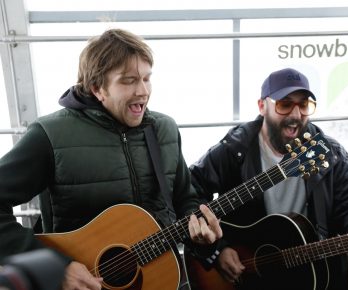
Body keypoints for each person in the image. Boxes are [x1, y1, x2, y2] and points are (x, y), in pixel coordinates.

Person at [0, 28, 222, 290]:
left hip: (162, 280)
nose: (143, 91)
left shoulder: (164, 130)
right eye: (128, 81)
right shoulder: (49, 135)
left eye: (147, 78)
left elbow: (185, 199)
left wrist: (203, 235)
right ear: (97, 88)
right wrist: (56, 267)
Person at [189, 68, 348, 290]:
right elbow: (190, 194)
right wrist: (216, 250)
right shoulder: (234, 150)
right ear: (262, 106)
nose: (296, 114)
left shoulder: (328, 153)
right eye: (285, 104)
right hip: (246, 277)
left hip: (315, 277)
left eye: (304, 104)